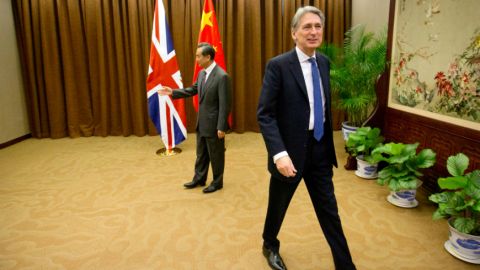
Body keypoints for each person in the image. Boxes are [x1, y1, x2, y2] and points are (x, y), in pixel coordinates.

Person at [256, 6, 356, 270]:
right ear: (294, 33)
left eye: (318, 26)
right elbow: (265, 114)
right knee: (277, 208)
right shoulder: (278, 66)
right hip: (289, 154)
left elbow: (319, 105)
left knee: (330, 212)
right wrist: (279, 154)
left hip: (320, 150)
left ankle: (345, 265)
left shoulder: (322, 62)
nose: (313, 32)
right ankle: (269, 244)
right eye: (307, 27)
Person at [158, 42, 232, 194]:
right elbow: (193, 89)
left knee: (216, 156)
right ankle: (199, 178)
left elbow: (225, 104)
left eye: (198, 56)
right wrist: (173, 92)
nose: (196, 59)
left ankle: (217, 182)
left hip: (215, 125)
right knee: (201, 154)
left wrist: (221, 126)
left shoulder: (222, 76)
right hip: (202, 122)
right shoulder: (202, 73)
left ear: (208, 57)